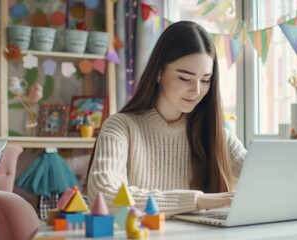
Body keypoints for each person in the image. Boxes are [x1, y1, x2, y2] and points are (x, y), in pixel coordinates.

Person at [86, 21, 246, 217]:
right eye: (185, 78)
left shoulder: (216, 135)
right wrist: (197, 200)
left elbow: (266, 177)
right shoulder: (120, 127)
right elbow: (104, 195)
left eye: (205, 80)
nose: (196, 90)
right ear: (159, 72)